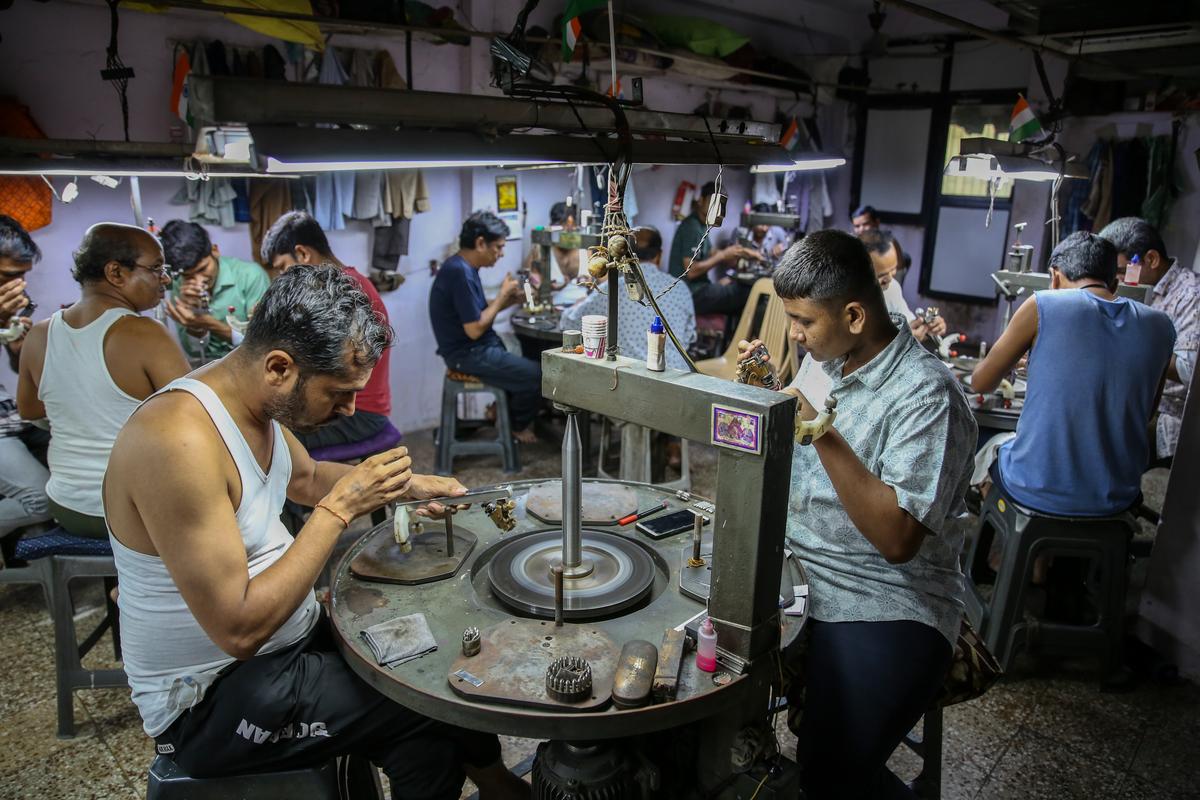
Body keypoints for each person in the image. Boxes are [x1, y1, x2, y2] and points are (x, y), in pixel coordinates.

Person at [102, 265, 528, 799]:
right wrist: (341, 507)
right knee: (425, 701)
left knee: (439, 665)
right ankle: (494, 783)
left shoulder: (249, 398)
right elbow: (238, 630)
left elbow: (304, 478)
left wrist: (405, 485)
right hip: (213, 699)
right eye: (339, 393)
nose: (351, 409)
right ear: (280, 367)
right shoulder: (176, 443)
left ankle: (495, 784)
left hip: (285, 646)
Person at [741, 229, 976, 800]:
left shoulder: (927, 394)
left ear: (852, 314)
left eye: (803, 321)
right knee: (700, 689)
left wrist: (818, 429)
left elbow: (898, 539)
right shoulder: (827, 360)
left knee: (831, 770)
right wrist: (767, 394)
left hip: (889, 598)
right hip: (800, 571)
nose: (794, 333)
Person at [972, 232, 1174, 517]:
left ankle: (1012, 553)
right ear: (1115, 284)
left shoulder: (1042, 305)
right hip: (1117, 495)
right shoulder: (1161, 326)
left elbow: (981, 382)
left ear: (1054, 277)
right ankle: (1048, 556)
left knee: (983, 439)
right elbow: (1147, 410)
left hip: (1035, 490)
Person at [17, 223, 190, 538]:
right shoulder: (144, 333)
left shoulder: (40, 334)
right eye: (156, 269)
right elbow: (198, 415)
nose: (165, 279)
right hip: (132, 513)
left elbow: (29, 410)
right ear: (116, 273)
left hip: (68, 505)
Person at [261, 211, 393, 450]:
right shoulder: (345, 284)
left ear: (302, 253)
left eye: (283, 268)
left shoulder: (341, 292)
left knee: (267, 437)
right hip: (346, 403)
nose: (282, 277)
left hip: (359, 412)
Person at [429, 211, 538, 444]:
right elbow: (474, 329)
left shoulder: (463, 267)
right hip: (468, 354)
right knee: (537, 376)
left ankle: (497, 414)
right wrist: (501, 296)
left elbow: (476, 311)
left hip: (476, 349)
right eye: (498, 247)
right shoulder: (459, 272)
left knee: (524, 361)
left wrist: (510, 300)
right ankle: (514, 427)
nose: (501, 254)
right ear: (480, 243)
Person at [1097, 217, 1198, 459]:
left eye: (1120, 272)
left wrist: (1137, 345)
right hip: (1124, 403)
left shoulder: (1190, 295)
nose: (1115, 281)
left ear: (1151, 259)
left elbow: (1189, 369)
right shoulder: (1125, 289)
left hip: (1165, 416)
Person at [561, 226, 696, 370]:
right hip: (675, 378)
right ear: (659, 255)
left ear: (622, 255)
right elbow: (689, 337)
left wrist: (578, 305)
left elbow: (569, 322)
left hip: (629, 379)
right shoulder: (680, 288)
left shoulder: (612, 289)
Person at [0, 216, 51, 548]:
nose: (19, 286)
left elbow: (19, 371)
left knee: (91, 468)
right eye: (9, 276)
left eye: (23, 277)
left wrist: (19, 350)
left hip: (7, 414)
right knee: (42, 498)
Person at [158, 220, 270, 361]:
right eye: (189, 276)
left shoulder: (251, 276)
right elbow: (194, 352)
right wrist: (195, 328)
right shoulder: (179, 285)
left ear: (215, 251)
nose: (199, 280)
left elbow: (263, 344)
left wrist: (208, 323)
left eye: (202, 269)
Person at [667, 181, 763, 317]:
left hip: (698, 290)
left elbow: (712, 252)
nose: (717, 208)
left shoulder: (701, 225)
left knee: (736, 289)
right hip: (689, 294)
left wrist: (741, 252)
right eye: (714, 203)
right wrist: (723, 255)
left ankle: (731, 334)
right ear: (701, 201)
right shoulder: (692, 227)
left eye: (721, 204)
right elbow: (691, 271)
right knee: (746, 292)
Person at [859, 229, 946, 343]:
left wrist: (928, 328)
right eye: (882, 275)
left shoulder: (891, 288)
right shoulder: (841, 299)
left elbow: (908, 326)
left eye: (893, 269)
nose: (890, 279)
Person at [525, 201, 586, 306]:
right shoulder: (540, 251)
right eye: (562, 231)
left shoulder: (587, 250)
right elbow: (529, 292)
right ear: (552, 227)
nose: (567, 236)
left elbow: (606, 287)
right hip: (552, 310)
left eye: (571, 231)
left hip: (583, 311)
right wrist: (544, 288)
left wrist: (590, 294)